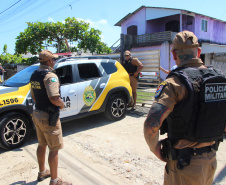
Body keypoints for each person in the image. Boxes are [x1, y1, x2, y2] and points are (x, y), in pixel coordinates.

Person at [143, 30, 226, 185]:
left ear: (174, 55)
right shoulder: (219, 80)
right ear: (199, 51)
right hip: (210, 162)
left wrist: (155, 148)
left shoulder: (174, 83)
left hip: (183, 167)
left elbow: (150, 125)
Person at [30, 50, 71, 185]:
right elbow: (54, 97)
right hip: (49, 117)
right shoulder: (50, 76)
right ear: (49, 61)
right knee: (54, 148)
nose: (54, 61)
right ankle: (54, 180)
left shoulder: (34, 75)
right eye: (53, 59)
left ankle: (42, 172)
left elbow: (34, 96)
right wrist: (61, 105)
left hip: (38, 113)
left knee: (42, 144)